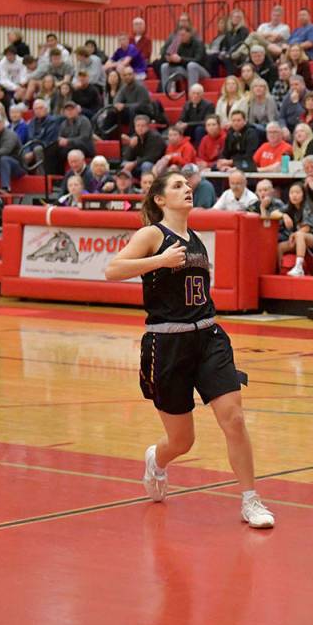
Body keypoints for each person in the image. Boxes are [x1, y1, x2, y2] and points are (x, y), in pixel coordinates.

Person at [104, 171, 274, 528]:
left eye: (188, 184)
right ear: (160, 199)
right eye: (178, 186)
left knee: (235, 419)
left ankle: (250, 499)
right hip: (166, 343)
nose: (187, 189)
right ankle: (157, 460)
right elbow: (112, 269)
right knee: (183, 441)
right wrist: (159, 261)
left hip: (208, 337)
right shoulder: (152, 234)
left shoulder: (196, 238)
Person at [159, 26, 208, 93]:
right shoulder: (178, 44)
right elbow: (175, 60)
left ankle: (192, 93)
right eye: (179, 35)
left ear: (189, 34)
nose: (181, 37)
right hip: (185, 71)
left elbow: (199, 60)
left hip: (201, 71)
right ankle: (166, 93)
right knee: (164, 66)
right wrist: (170, 60)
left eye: (183, 35)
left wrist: (181, 59)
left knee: (192, 65)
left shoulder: (198, 43)